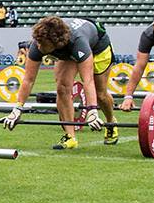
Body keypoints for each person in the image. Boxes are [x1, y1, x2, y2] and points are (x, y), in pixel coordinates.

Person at [8, 15, 119, 148]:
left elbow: (87, 81)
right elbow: (28, 80)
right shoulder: (38, 44)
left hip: (98, 47)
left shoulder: (77, 42)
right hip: (68, 50)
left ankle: (111, 122)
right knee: (62, 88)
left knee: (100, 94)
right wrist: (17, 108)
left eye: (42, 44)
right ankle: (70, 137)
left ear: (54, 42)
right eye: (38, 42)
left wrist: (92, 111)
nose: (38, 45)